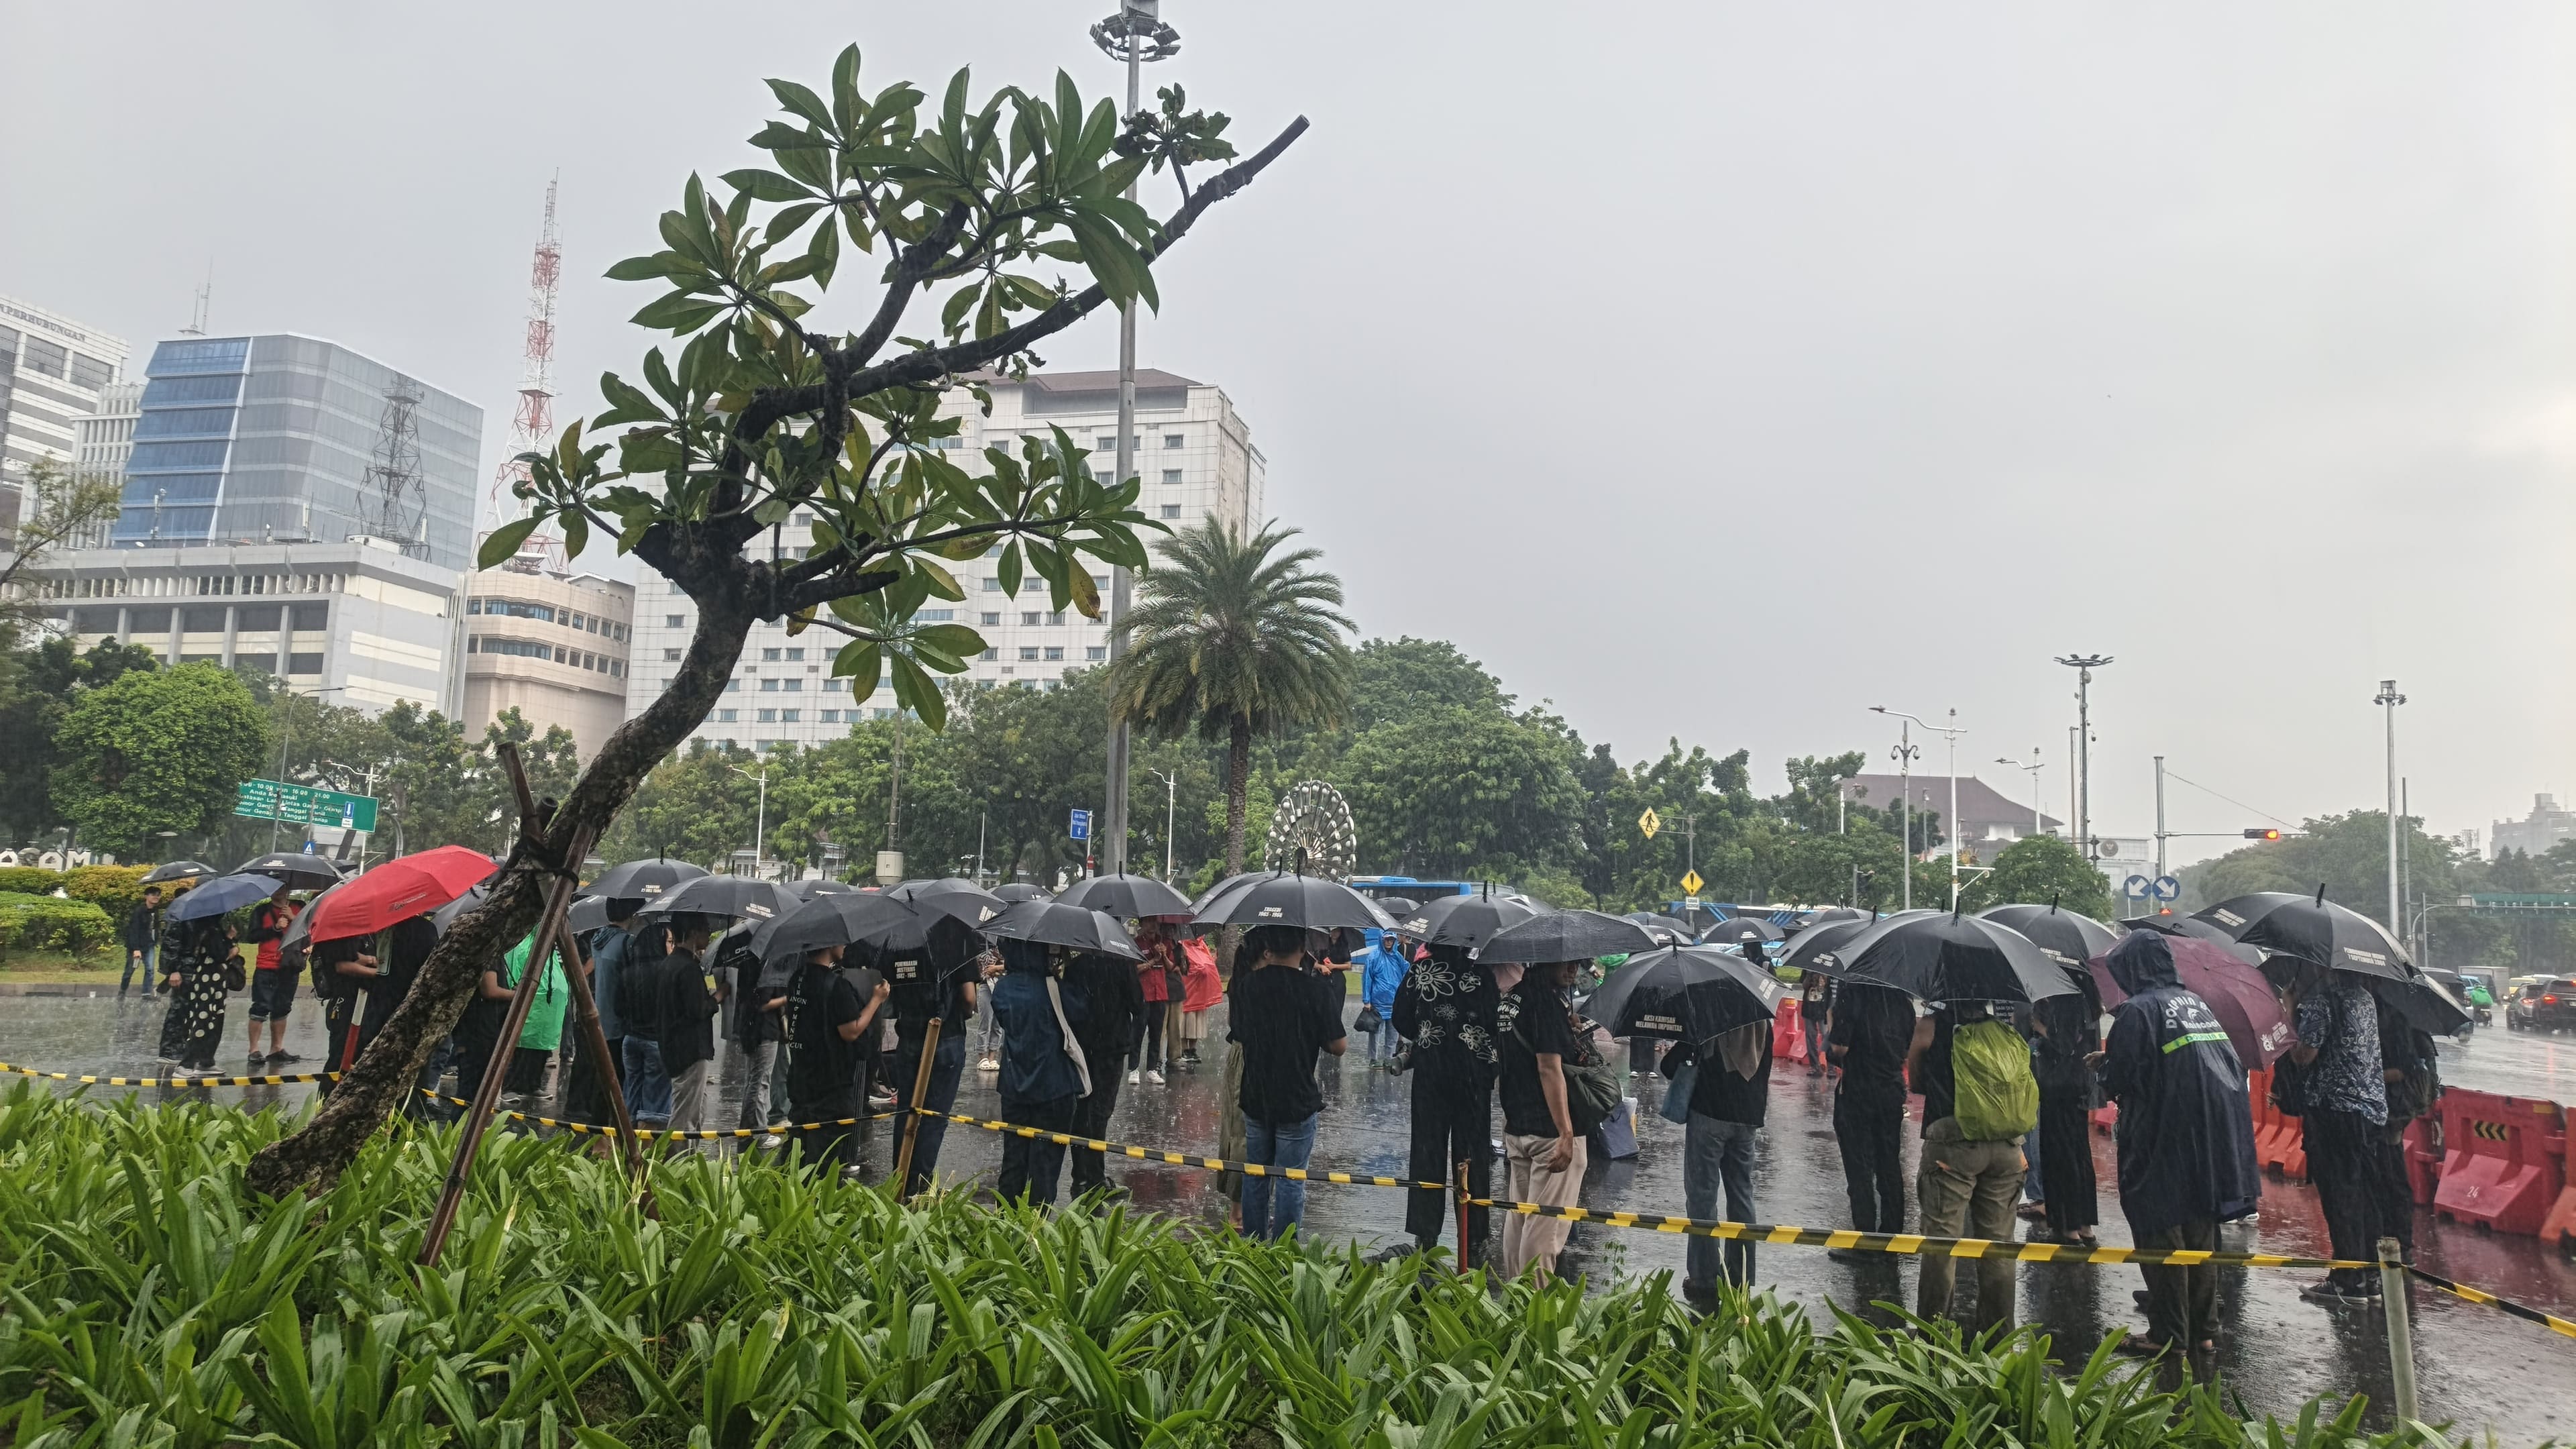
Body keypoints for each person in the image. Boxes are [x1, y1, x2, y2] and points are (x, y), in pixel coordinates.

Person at [2094, 930, 2261, 1377]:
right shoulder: (2197, 1005)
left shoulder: (2136, 1011)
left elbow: (2123, 1078)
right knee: (2199, 1236)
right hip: (2211, 1140)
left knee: (2160, 1234)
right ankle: (2203, 1330)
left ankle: (2167, 1334)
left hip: (2162, 1139)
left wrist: (2103, 1067)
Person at [1909, 998, 2038, 1334]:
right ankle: (1999, 1334)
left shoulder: (1931, 1026)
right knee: (1998, 1246)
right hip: (2008, 1148)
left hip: (1952, 1146)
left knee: (1942, 1243)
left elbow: (1917, 1082)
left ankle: (1931, 1333)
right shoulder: (2005, 1033)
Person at [1225, 925, 1347, 1240]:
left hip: (1256, 1094)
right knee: (1291, 1179)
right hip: (1296, 1097)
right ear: (1302, 949)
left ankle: (1252, 1247)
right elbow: (1338, 1046)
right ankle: (1283, 1250)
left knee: (1256, 1173)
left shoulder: (1248, 985)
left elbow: (1237, 1031)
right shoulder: (1314, 990)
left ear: (1270, 948)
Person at [2284, 959, 2387, 1303]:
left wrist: (2288, 1008)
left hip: (2333, 1111)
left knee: (2339, 1195)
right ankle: (2370, 1274)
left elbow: (2302, 1056)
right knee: (2364, 1194)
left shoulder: (2321, 1003)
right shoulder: (2364, 999)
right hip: (2369, 1111)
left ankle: (2347, 1280)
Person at [1390, 943, 1500, 1267]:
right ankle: (1475, 1237)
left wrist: (1428, 1034)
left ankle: (1426, 1236)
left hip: (1431, 1074)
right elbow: (1494, 1025)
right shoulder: (1482, 975)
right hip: (1473, 1077)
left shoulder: (1420, 973)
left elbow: (1400, 1018)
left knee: (1427, 1152)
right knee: (1473, 1156)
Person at [1665, 1019, 1772, 1298]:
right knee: (1742, 1197)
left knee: (1702, 1197)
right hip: (1748, 1120)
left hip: (1709, 1115)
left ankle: (1704, 1276)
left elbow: (1669, 1065)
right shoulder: (1762, 1025)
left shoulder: (1710, 1020)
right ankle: (1742, 1275)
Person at [1495, 959, 1588, 1281]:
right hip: (1549, 1132)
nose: (1574, 969)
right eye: (1567, 962)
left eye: (1579, 963)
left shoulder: (1511, 999)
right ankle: (1536, 1310)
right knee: (1546, 1225)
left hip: (1519, 1126)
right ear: (1545, 959)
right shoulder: (1546, 1004)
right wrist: (1566, 1132)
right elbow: (1549, 1067)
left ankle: (1512, 1297)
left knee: (1519, 1218)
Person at [988, 938, 1087, 1206]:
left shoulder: (1003, 989)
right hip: (1054, 1086)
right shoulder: (1055, 988)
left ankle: (1005, 1221)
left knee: (1014, 1159)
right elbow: (1081, 1013)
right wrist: (1065, 967)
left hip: (1014, 1085)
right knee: (1046, 1164)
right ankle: (1037, 1225)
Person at [891, 914, 983, 1195]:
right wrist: (964, 1011)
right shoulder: (956, 941)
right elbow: (968, 999)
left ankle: (900, 1179)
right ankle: (919, 1185)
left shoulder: (899, 941)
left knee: (906, 1110)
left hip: (908, 1036)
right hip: (945, 1036)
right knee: (933, 1115)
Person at [782, 942, 889, 1176]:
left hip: (801, 1074)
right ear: (828, 944)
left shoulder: (797, 979)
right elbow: (851, 1031)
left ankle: (791, 1197)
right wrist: (876, 1000)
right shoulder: (836, 986)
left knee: (800, 1145)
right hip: (830, 1080)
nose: (845, 946)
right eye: (841, 942)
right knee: (825, 1154)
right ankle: (818, 1203)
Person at [1826, 982, 1914, 1254]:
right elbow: (1905, 1050)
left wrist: (1831, 1026)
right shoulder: (1903, 1001)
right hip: (1891, 1091)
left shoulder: (1851, 994)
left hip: (1858, 1092)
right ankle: (1892, 1236)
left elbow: (1839, 1048)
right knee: (1889, 1164)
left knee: (1859, 1168)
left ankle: (1864, 1241)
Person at [1066, 945, 1142, 1198]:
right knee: (1100, 1113)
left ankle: (1080, 1177)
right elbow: (1137, 1004)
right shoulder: (1122, 964)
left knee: (1082, 1110)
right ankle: (1096, 1177)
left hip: (1082, 1047)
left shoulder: (1076, 967)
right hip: (1111, 1048)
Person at [2029, 985, 2100, 1245]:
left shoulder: (2064, 1001)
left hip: (2058, 1091)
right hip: (2079, 1087)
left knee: (2060, 1157)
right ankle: (2084, 1225)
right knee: (2080, 1155)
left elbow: (2061, 1045)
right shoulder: (2087, 999)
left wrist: (2039, 1029)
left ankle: (2067, 1227)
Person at [2372, 998, 2437, 1267]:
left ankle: (2399, 1242)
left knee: (2391, 1175)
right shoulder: (2391, 1016)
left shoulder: (2393, 1021)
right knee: (2388, 1173)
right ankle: (2396, 1240)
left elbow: (2405, 1068)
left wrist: (2368, 1074)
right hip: (2389, 1106)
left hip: (2393, 1108)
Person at [654, 912, 722, 1138]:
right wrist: (718, 997)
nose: (709, 934)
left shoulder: (668, 964)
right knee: (685, 1116)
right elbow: (698, 1010)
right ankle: (677, 1164)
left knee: (695, 1110)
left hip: (673, 1046)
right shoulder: (688, 968)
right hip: (690, 1049)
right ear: (693, 933)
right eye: (706, 930)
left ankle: (689, 1161)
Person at [157, 914, 236, 1071]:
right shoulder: (183, 918)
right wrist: (173, 970)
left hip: (202, 972)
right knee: (181, 1011)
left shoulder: (212, 921)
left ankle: (202, 1057)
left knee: (203, 1016)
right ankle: (171, 1051)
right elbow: (171, 944)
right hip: (187, 969)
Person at [621, 919, 675, 1129]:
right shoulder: (667, 972)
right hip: (656, 1041)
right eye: (669, 942)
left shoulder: (629, 971)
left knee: (632, 1090)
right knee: (656, 1102)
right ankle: (648, 1149)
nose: (672, 947)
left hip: (630, 1038)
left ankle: (627, 1138)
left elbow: (619, 1007)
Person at [1129, 923, 1174, 1084]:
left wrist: (1163, 956)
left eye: (1154, 923)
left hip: (1160, 994)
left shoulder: (1164, 943)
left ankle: (1152, 1069)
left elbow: (1170, 968)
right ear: (1141, 924)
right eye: (1148, 922)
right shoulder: (1136, 943)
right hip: (1143, 995)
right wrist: (1153, 960)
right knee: (1138, 1033)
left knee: (1156, 1034)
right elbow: (1134, 969)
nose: (1152, 927)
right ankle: (1133, 1069)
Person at [1356, 932, 1409, 1062]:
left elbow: (1406, 973)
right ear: (1382, 940)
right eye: (1386, 940)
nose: (1389, 942)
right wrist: (1367, 1000)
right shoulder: (1373, 957)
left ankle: (1388, 1058)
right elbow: (1367, 979)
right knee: (1375, 1032)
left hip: (1394, 1002)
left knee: (1392, 1033)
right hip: (1378, 1002)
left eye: (1391, 940)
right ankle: (1373, 1059)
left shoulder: (1397, 957)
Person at [1177, 934, 1221, 1066]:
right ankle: (1184, 1049)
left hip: (1200, 992)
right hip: (1188, 990)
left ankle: (1193, 1049)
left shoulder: (1202, 946)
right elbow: (1185, 966)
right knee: (1185, 1021)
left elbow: (1208, 964)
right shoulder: (1183, 945)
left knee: (1197, 1021)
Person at [121, 885, 164, 998]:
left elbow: (155, 928)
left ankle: (146, 994)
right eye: (153, 894)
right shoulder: (139, 911)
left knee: (150, 969)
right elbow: (134, 930)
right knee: (130, 971)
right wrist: (136, 949)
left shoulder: (155, 911)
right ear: (147, 896)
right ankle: (122, 991)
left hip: (150, 945)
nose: (156, 897)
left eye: (158, 894)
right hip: (137, 946)